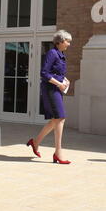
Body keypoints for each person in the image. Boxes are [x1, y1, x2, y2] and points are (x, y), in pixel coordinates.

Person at [27, 30, 72, 164]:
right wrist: (59, 84)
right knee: (60, 118)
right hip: (51, 90)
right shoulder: (52, 53)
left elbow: (56, 73)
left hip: (56, 89)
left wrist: (65, 80)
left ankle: (35, 142)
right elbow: (44, 73)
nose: (69, 44)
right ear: (60, 42)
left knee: (55, 120)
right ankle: (58, 152)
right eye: (67, 41)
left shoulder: (61, 55)